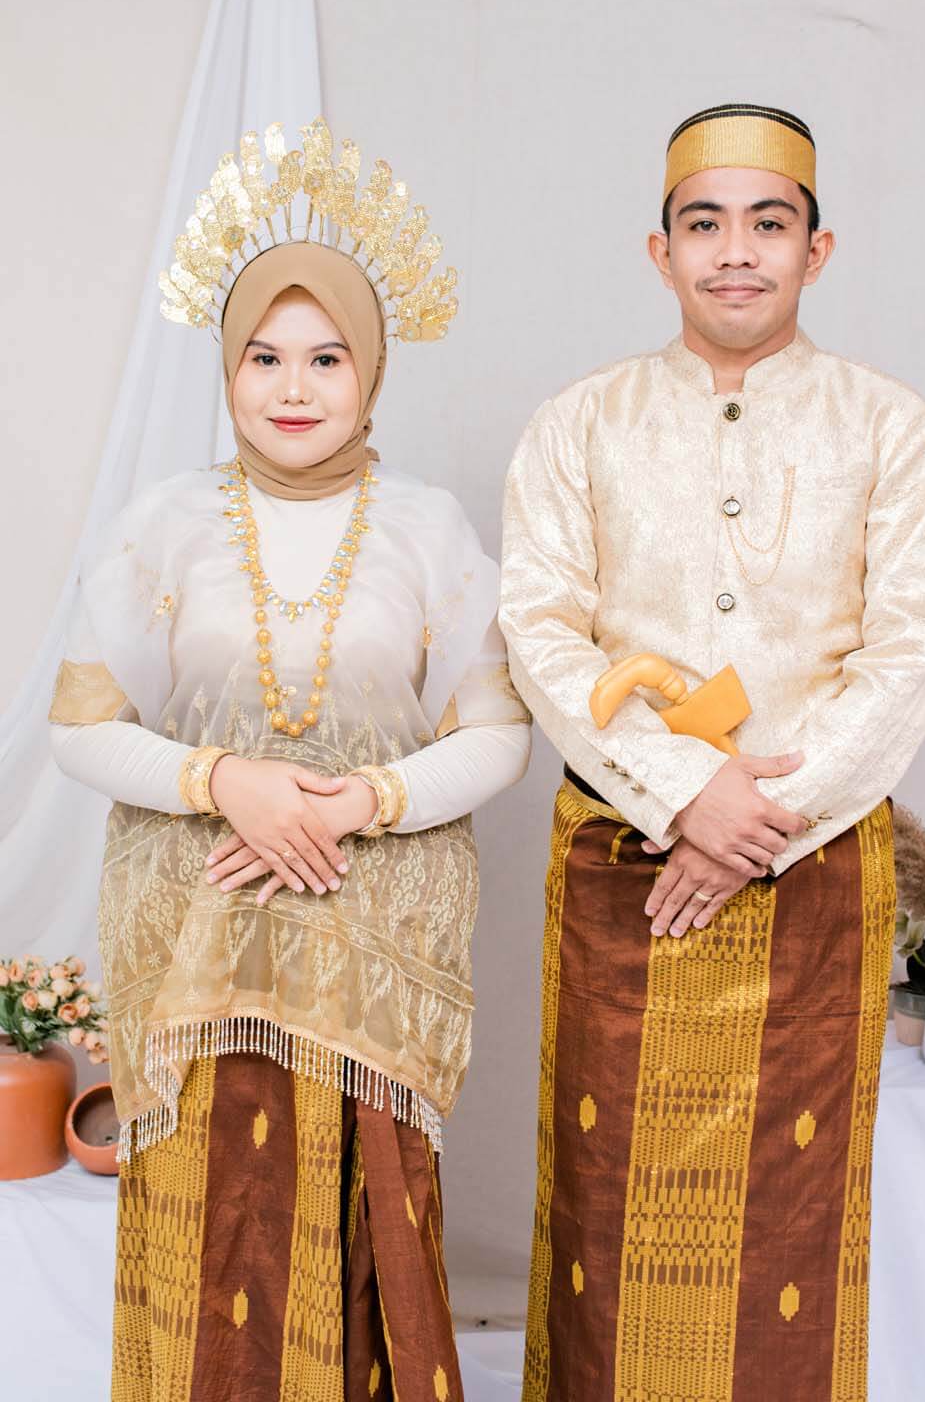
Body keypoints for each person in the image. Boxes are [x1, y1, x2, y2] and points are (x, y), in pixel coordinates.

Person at [49, 119, 531, 1402]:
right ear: (228, 368)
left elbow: (498, 732)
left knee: (362, 1230)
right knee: (218, 1226)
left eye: (326, 356)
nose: (293, 386)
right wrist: (226, 784)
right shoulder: (165, 523)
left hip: (372, 941)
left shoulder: (426, 529)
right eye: (264, 357)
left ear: (371, 368)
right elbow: (78, 724)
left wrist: (368, 798)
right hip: (202, 938)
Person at [500, 102, 925, 1401]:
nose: (736, 251)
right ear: (660, 253)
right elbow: (540, 631)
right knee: (609, 1208)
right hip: (625, 859)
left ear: (818, 249)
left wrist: (758, 819)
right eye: (704, 225)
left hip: (812, 862)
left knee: (788, 1223)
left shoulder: (890, 427)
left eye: (768, 223)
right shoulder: (577, 424)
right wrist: (680, 788)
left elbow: (906, 651)